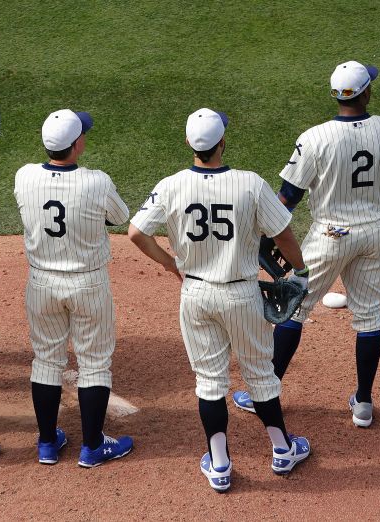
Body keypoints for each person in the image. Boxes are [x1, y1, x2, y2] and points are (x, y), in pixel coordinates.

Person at [233, 61, 380, 428]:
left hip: (329, 236)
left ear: (335, 95)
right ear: (366, 93)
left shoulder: (314, 137)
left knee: (294, 308)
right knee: (369, 317)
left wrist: (267, 237)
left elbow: (287, 198)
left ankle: (264, 391)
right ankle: (363, 402)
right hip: (376, 233)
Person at [129, 108, 311, 492]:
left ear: (189, 144)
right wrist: (299, 270)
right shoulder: (250, 184)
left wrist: (169, 264)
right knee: (260, 375)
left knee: (209, 382)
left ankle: (220, 464)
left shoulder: (171, 185)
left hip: (195, 293)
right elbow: (283, 234)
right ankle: (282, 450)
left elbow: (135, 232)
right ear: (222, 142)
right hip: (241, 293)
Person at [14, 109, 133, 467]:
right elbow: (120, 216)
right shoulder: (96, 181)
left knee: (46, 361)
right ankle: (93, 447)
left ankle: (48, 444)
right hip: (88, 283)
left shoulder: (25, 176)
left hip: (42, 283)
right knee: (95, 364)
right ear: (76, 143)